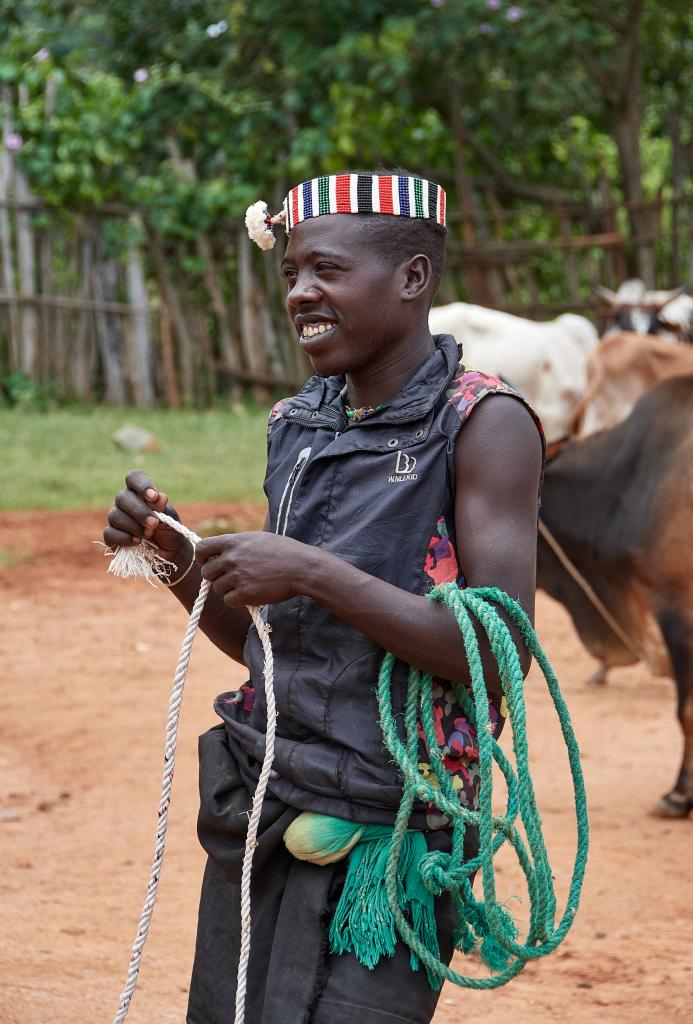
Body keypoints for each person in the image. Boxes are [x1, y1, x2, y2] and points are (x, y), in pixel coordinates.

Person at [104, 171, 544, 1024]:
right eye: (292, 272)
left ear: (412, 278)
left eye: (328, 270)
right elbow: (276, 646)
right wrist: (170, 552)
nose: (301, 291)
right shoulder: (296, 425)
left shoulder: (483, 425)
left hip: (392, 830)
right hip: (265, 797)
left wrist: (308, 570)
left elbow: (497, 656)